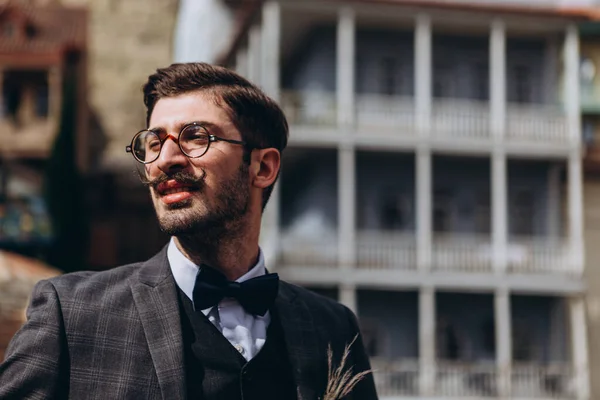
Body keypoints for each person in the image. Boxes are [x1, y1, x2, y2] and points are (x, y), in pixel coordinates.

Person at [0, 63, 377, 400]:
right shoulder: (73, 313)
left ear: (262, 168)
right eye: (153, 142)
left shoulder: (333, 328)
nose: (164, 159)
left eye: (196, 136)